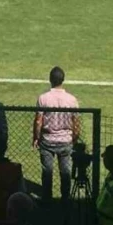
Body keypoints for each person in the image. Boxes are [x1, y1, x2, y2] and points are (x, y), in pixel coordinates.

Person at [33, 66, 80, 203]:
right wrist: (74, 138)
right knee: (65, 172)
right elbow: (76, 121)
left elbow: (38, 121)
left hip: (47, 140)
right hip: (66, 140)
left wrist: (36, 137)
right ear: (63, 80)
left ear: (50, 80)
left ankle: (47, 198)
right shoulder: (72, 99)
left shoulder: (43, 98)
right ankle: (66, 198)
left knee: (47, 172)